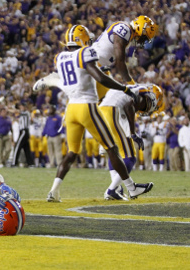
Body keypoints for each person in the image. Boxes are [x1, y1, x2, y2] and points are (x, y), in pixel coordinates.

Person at [33, 24, 153, 202]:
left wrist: (52, 80)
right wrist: (126, 89)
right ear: (83, 39)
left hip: (71, 110)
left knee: (72, 152)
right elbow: (99, 77)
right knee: (112, 148)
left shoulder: (60, 57)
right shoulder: (84, 53)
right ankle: (131, 188)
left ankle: (54, 191)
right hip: (86, 107)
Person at [99, 83, 163, 200]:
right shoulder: (141, 94)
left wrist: (130, 133)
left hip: (101, 112)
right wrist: (133, 133)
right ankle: (114, 190)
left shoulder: (128, 91)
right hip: (111, 111)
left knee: (115, 153)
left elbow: (124, 114)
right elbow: (129, 107)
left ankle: (120, 188)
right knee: (130, 157)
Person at [92, 15, 159, 99]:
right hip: (95, 64)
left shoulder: (128, 32)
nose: (143, 41)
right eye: (144, 37)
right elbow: (119, 61)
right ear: (140, 28)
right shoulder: (125, 29)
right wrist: (131, 82)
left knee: (106, 100)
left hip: (100, 65)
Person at [11, 103, 35, 168]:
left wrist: (8, 109)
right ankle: (30, 163)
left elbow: (16, 112)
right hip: (24, 132)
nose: (20, 108)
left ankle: (14, 163)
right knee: (26, 148)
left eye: (21, 106)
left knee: (17, 147)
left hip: (24, 131)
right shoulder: (23, 114)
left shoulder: (26, 113)